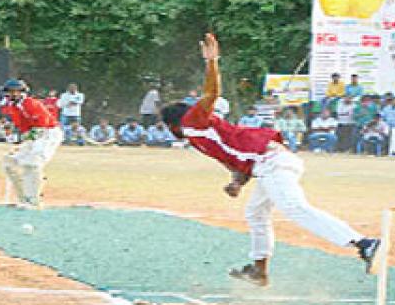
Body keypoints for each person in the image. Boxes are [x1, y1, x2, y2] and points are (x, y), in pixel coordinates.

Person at [159, 33, 380, 286]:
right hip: (266, 164)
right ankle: (258, 270)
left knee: (295, 208)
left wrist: (212, 62)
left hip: (272, 161)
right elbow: (235, 164)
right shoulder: (200, 139)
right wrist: (238, 183)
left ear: (172, 125)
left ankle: (363, 243)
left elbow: (211, 92)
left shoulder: (192, 122)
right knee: (255, 212)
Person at [0, 79, 63, 209]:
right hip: (36, 135)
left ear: (22, 92)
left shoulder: (32, 104)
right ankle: (23, 199)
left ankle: (34, 201)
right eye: (9, 92)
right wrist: (9, 132)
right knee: (10, 162)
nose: (11, 95)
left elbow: (40, 129)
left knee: (32, 164)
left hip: (49, 134)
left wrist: (19, 138)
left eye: (14, 92)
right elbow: (23, 128)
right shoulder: (13, 107)